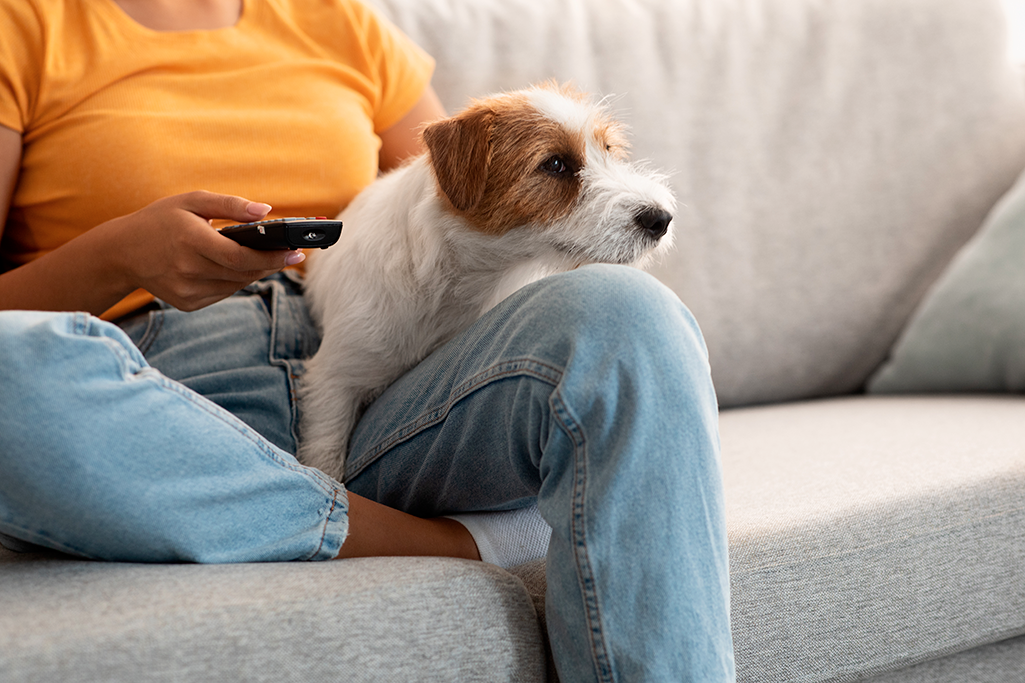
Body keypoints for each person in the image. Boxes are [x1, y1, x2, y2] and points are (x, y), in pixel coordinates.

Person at [0, 0, 736, 680]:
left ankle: (281, 518)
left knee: (631, 316)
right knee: (12, 375)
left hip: (382, 386)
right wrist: (119, 256)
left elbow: (474, 206)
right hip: (166, 395)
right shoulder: (28, 24)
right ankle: (450, 538)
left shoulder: (339, 20)